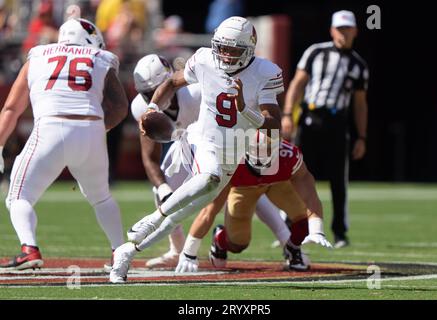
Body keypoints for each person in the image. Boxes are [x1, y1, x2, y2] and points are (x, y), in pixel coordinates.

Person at [110, 16, 284, 283]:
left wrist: (245, 110)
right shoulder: (205, 59)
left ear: (248, 49)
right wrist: (153, 110)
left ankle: (127, 253)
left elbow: (274, 123)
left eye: (232, 49)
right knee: (208, 176)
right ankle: (153, 216)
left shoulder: (265, 72)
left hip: (232, 153)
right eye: (221, 47)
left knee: (183, 213)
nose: (224, 55)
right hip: (199, 141)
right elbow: (170, 83)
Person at [0, 18, 128, 270]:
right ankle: (119, 252)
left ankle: (29, 249)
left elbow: (11, 108)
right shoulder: (100, 57)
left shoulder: (37, 55)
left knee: (17, 196)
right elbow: (120, 106)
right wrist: (95, 129)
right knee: (101, 198)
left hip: (50, 128)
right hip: (91, 127)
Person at [175, 136, 332, 273]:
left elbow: (310, 194)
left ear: (277, 148)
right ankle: (220, 238)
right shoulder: (232, 161)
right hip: (243, 189)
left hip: (277, 184)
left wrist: (317, 228)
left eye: (269, 152)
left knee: (304, 218)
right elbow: (209, 210)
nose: (263, 159)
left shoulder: (288, 155)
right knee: (238, 243)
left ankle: (293, 249)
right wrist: (189, 252)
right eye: (259, 154)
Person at [281, 10, 369, 248]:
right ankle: (289, 226)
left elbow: (360, 104)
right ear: (332, 30)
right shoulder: (316, 52)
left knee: (338, 179)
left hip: (337, 122)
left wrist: (362, 136)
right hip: (310, 117)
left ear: (355, 31)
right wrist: (288, 114)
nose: (343, 33)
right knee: (295, 173)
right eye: (340, 29)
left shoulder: (359, 65)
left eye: (348, 28)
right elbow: (297, 84)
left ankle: (340, 231)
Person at [129, 53, 202, 268]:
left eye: (156, 90)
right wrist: (163, 190)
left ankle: (286, 241)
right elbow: (149, 157)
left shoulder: (195, 91)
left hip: (216, 144)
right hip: (186, 146)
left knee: (242, 190)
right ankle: (177, 250)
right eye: (147, 93)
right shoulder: (141, 107)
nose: (152, 98)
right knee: (161, 189)